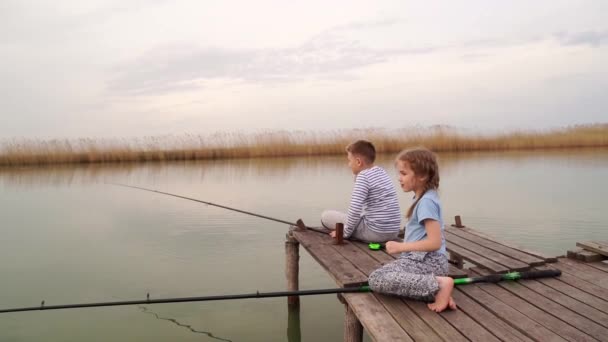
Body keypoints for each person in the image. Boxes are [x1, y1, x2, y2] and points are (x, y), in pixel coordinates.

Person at [367, 147, 456, 313]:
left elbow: (434, 242)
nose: (399, 178)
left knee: (376, 278)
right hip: (423, 260)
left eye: (403, 173)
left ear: (422, 175)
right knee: (385, 273)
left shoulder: (426, 202)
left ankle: (440, 285)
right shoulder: (424, 197)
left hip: (429, 261)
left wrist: (400, 247)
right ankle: (434, 291)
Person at [321, 140, 401, 243]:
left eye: (349, 160)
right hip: (393, 232)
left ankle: (354, 232)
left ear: (358, 162)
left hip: (375, 233)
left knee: (326, 217)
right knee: (356, 216)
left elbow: (355, 209)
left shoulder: (363, 176)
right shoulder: (381, 172)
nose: (349, 164)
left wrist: (345, 233)